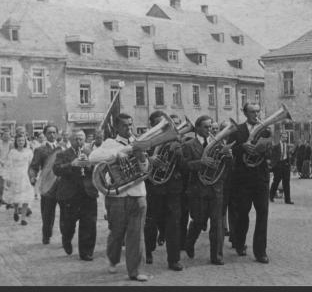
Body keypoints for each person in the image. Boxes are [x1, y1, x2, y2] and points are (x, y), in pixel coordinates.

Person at [88, 113, 150, 281]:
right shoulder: (110, 143)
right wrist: (117, 154)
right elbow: (92, 157)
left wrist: (142, 158)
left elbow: (145, 170)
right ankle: (113, 259)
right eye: (124, 126)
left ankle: (135, 271)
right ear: (116, 127)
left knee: (136, 235)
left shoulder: (138, 142)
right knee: (116, 233)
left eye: (130, 125)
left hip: (138, 195)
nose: (129, 128)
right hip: (117, 197)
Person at [227, 103, 271, 264]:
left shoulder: (265, 130)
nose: (256, 114)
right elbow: (230, 151)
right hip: (242, 180)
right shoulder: (237, 130)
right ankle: (239, 243)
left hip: (260, 178)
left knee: (263, 214)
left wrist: (265, 148)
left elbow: (270, 152)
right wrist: (242, 147)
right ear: (245, 113)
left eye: (258, 111)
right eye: (252, 111)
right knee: (242, 214)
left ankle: (260, 252)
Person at [144, 111, 184, 271]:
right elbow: (137, 159)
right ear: (152, 125)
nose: (164, 127)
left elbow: (182, 165)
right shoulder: (146, 140)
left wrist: (178, 153)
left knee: (174, 223)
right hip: (154, 188)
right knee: (151, 223)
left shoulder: (175, 140)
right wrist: (150, 160)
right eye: (159, 124)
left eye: (165, 124)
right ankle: (148, 251)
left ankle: (174, 260)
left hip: (172, 188)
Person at [183, 115, 225, 265]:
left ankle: (216, 256)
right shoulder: (189, 145)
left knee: (217, 223)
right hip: (198, 190)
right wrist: (200, 162)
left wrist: (229, 156)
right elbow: (185, 166)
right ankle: (189, 241)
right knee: (199, 221)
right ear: (198, 128)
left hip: (215, 188)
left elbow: (225, 166)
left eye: (210, 127)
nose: (209, 130)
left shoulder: (217, 143)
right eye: (206, 127)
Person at [53, 130, 98, 261]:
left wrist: (90, 165)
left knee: (89, 223)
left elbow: (99, 169)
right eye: (76, 139)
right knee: (68, 224)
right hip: (69, 195)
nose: (79, 142)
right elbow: (56, 169)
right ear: (71, 140)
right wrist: (71, 164)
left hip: (88, 193)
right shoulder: (63, 154)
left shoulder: (91, 153)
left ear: (85, 140)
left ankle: (86, 252)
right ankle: (66, 238)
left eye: (81, 139)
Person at [28, 124, 62, 245]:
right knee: (47, 213)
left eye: (54, 132)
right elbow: (34, 166)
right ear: (45, 134)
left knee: (65, 213)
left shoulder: (63, 149)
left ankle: (65, 237)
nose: (52, 135)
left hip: (62, 186)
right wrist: (32, 177)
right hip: (47, 186)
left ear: (57, 134)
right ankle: (46, 235)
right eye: (49, 133)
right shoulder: (40, 150)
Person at [6, 134, 34, 225]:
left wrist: (32, 176)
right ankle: (15, 210)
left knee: (26, 197)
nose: (21, 142)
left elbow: (31, 165)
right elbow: (9, 165)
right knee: (16, 197)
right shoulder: (12, 152)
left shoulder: (29, 152)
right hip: (15, 176)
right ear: (16, 142)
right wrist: (8, 178)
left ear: (25, 141)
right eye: (19, 141)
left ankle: (23, 218)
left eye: (22, 140)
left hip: (25, 176)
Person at [269, 132, 294, 204]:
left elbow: (288, 156)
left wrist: (289, 164)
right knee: (276, 182)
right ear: (280, 137)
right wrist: (273, 166)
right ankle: (271, 196)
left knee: (286, 183)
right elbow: (273, 157)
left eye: (286, 137)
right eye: (284, 137)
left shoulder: (287, 146)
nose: (285, 139)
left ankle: (287, 200)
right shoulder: (276, 146)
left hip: (285, 165)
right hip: (278, 165)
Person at [0, 128, 12, 207]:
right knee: (1, 184)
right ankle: (1, 198)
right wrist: (1, 162)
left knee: (9, 183)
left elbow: (12, 154)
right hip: (1, 165)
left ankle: (9, 200)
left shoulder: (11, 144)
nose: (6, 137)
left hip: (9, 165)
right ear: (2, 136)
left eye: (8, 135)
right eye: (5, 135)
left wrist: (8, 162)